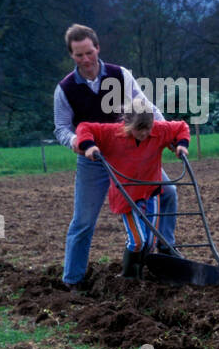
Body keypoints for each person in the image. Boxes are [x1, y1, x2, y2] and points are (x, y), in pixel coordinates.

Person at [54, 24, 179, 290]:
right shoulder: (65, 89)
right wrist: (78, 142)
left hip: (131, 153)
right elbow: (61, 128)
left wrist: (166, 133)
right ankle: (72, 280)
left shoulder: (120, 75)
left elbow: (147, 107)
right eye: (79, 55)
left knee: (167, 193)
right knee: (84, 221)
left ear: (97, 48)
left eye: (89, 52)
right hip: (94, 157)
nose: (86, 60)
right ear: (71, 55)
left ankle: (164, 250)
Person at [75, 101, 190, 279]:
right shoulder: (112, 133)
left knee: (151, 243)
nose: (144, 133)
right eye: (139, 129)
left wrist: (182, 144)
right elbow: (84, 127)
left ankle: (144, 275)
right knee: (137, 241)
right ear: (128, 124)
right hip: (126, 196)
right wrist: (89, 146)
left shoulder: (159, 130)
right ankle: (128, 277)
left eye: (148, 128)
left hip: (151, 192)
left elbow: (181, 126)